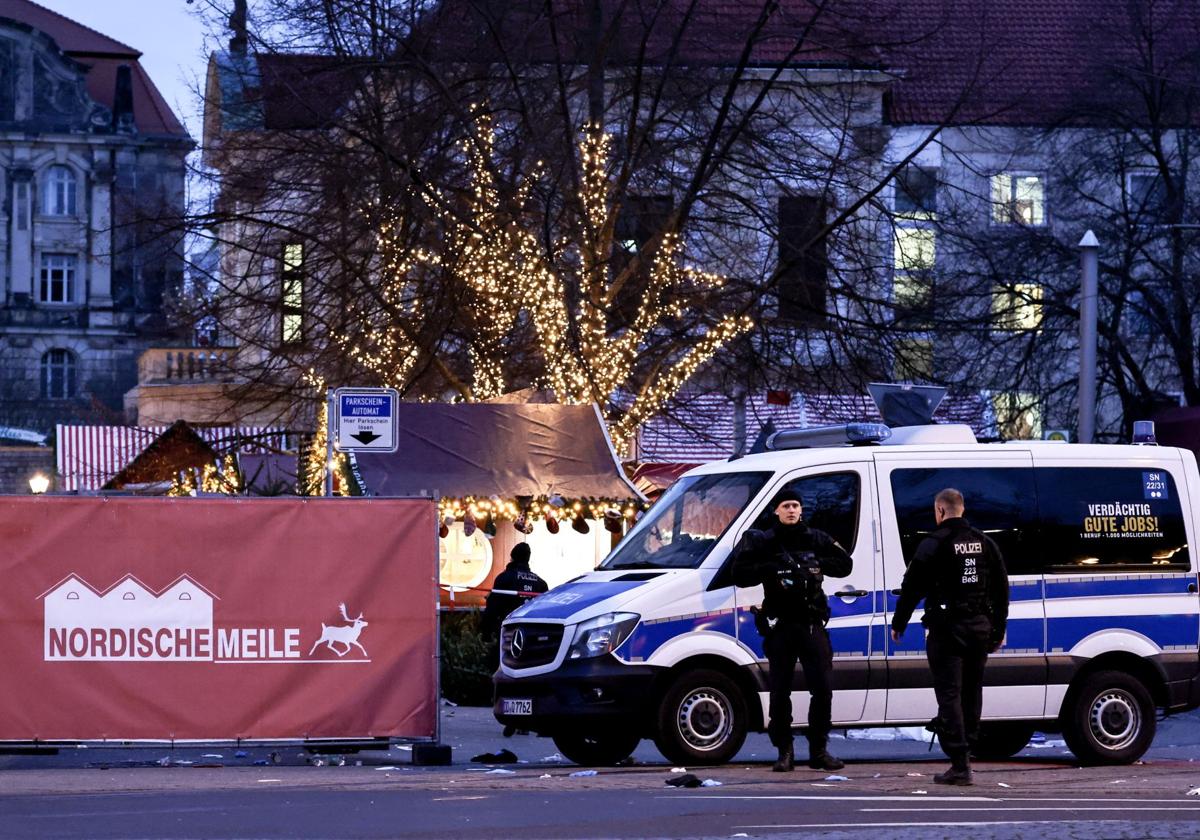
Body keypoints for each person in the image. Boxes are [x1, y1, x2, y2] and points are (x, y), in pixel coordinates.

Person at [890, 487, 1009, 786]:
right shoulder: (985, 542)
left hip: (946, 629)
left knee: (949, 694)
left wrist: (899, 623)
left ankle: (959, 763)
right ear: (962, 509)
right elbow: (1001, 589)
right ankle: (967, 753)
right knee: (972, 691)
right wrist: (998, 628)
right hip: (979, 628)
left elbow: (912, 586)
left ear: (940, 511)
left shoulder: (934, 543)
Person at [731, 488, 853, 772]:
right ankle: (784, 751)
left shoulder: (815, 537)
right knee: (779, 691)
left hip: (811, 623)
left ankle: (819, 750)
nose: (791, 510)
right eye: (786, 505)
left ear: (801, 510)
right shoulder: (765, 541)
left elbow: (845, 564)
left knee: (822, 688)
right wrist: (772, 568)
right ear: (776, 510)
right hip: (781, 625)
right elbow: (739, 574)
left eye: (795, 505)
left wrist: (812, 565)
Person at [481, 542, 548, 644]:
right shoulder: (541, 583)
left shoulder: (504, 578)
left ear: (512, 557)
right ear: (528, 559)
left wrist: (486, 635)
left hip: (507, 633)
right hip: (534, 636)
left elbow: (492, 610)